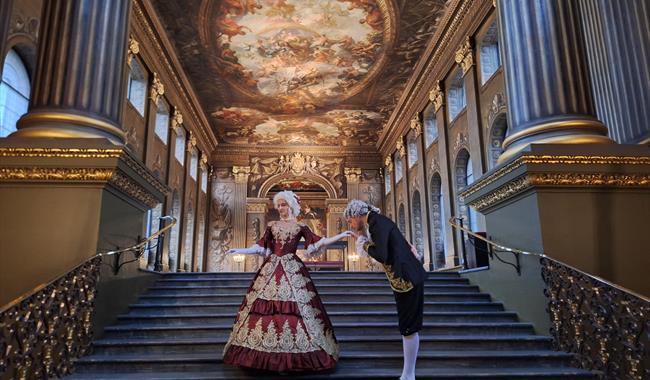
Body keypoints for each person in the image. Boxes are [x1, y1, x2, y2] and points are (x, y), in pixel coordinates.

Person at [223, 190, 353, 372]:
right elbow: (260, 246)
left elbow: (317, 243)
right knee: (263, 306)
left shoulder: (300, 226)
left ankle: (300, 355)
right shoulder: (272, 225)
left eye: (283, 205)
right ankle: (261, 356)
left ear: (291, 205)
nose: (280, 208)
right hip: (271, 269)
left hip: (292, 268)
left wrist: (340, 236)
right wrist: (240, 250)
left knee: (299, 309)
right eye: (278, 205)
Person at [344, 199, 426, 380]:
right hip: (408, 276)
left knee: (408, 327)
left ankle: (408, 375)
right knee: (409, 326)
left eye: (349, 220)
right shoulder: (378, 221)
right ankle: (408, 374)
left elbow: (382, 255)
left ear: (356, 215)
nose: (350, 224)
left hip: (406, 279)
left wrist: (363, 242)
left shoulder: (375, 224)